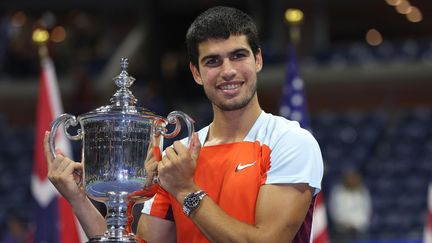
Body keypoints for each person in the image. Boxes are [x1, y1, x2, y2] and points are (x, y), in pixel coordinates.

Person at [44, 6, 324, 242]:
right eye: (212, 61)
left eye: (238, 56)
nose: (228, 71)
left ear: (258, 60)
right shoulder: (175, 159)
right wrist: (79, 199)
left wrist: (186, 190)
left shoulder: (290, 141)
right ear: (196, 73)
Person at [328, 169, 372, 243]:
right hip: (342, 230)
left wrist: (356, 225)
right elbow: (334, 211)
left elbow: (367, 211)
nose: (352, 180)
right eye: (350, 178)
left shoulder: (363, 192)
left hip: (359, 230)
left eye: (354, 178)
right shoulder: (338, 192)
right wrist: (346, 224)